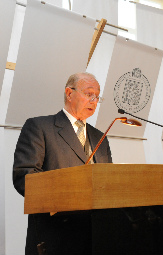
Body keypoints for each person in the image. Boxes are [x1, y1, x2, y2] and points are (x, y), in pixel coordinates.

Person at [13, 72, 112, 255]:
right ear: (69, 93)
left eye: (97, 96)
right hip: (55, 236)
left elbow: (108, 181)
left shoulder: (100, 137)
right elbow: (24, 177)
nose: (94, 100)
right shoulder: (40, 127)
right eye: (89, 93)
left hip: (95, 238)